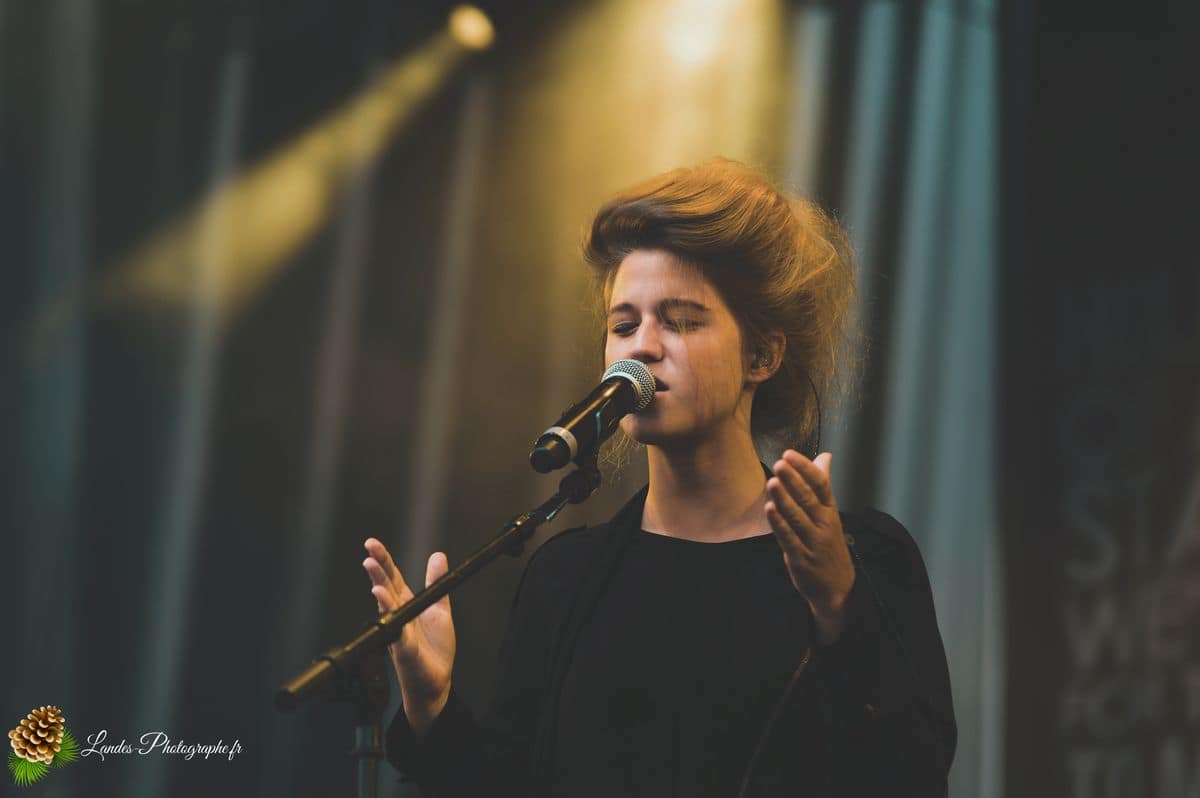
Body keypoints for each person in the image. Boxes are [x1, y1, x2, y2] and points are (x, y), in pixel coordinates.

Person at [362, 158, 956, 797]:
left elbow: (911, 777)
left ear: (761, 355)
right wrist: (431, 709)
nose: (641, 346)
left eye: (680, 320)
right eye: (624, 325)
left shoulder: (865, 557)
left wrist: (839, 603)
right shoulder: (567, 576)